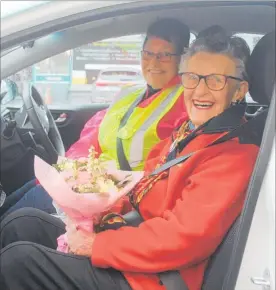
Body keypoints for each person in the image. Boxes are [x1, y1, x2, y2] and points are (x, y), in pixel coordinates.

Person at [0, 26, 259, 290]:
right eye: (192, 77)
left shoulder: (234, 155)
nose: (200, 91)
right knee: (23, 223)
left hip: (154, 277)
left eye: (216, 80)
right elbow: (143, 181)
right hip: (133, 241)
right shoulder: (191, 133)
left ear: (239, 90)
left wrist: (96, 244)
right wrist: (102, 213)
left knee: (16, 262)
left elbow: (184, 238)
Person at [0, 18, 190, 218]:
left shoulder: (185, 103)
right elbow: (94, 132)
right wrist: (73, 168)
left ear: (182, 58)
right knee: (20, 197)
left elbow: (164, 173)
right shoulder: (130, 93)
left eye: (165, 55)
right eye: (148, 53)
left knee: (17, 218)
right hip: (88, 184)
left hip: (116, 199)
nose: (153, 63)